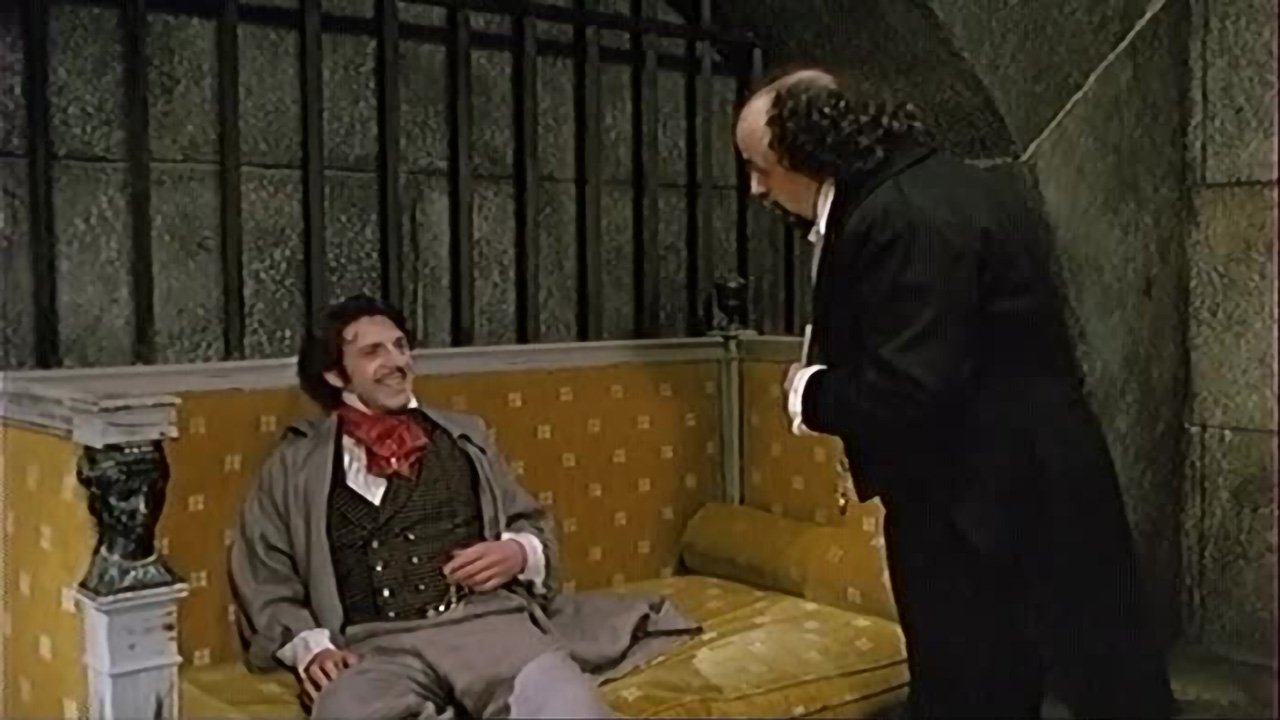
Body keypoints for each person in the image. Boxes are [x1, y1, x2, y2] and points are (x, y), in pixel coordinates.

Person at [734, 69, 1176, 718]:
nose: (756, 188)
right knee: (1091, 674)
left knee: (974, 689)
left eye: (760, 168)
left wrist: (811, 393)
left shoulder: (903, 214)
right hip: (1023, 478)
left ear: (804, 152)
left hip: (973, 501)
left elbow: (911, 388)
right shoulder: (949, 185)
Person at [229, 294, 699, 719]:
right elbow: (268, 576)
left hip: (484, 624)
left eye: (400, 347)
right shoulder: (295, 466)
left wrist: (517, 552)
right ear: (335, 374)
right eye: (373, 352)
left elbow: (528, 522)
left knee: (564, 706)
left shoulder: (465, 437)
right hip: (372, 646)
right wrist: (312, 649)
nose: (397, 362)